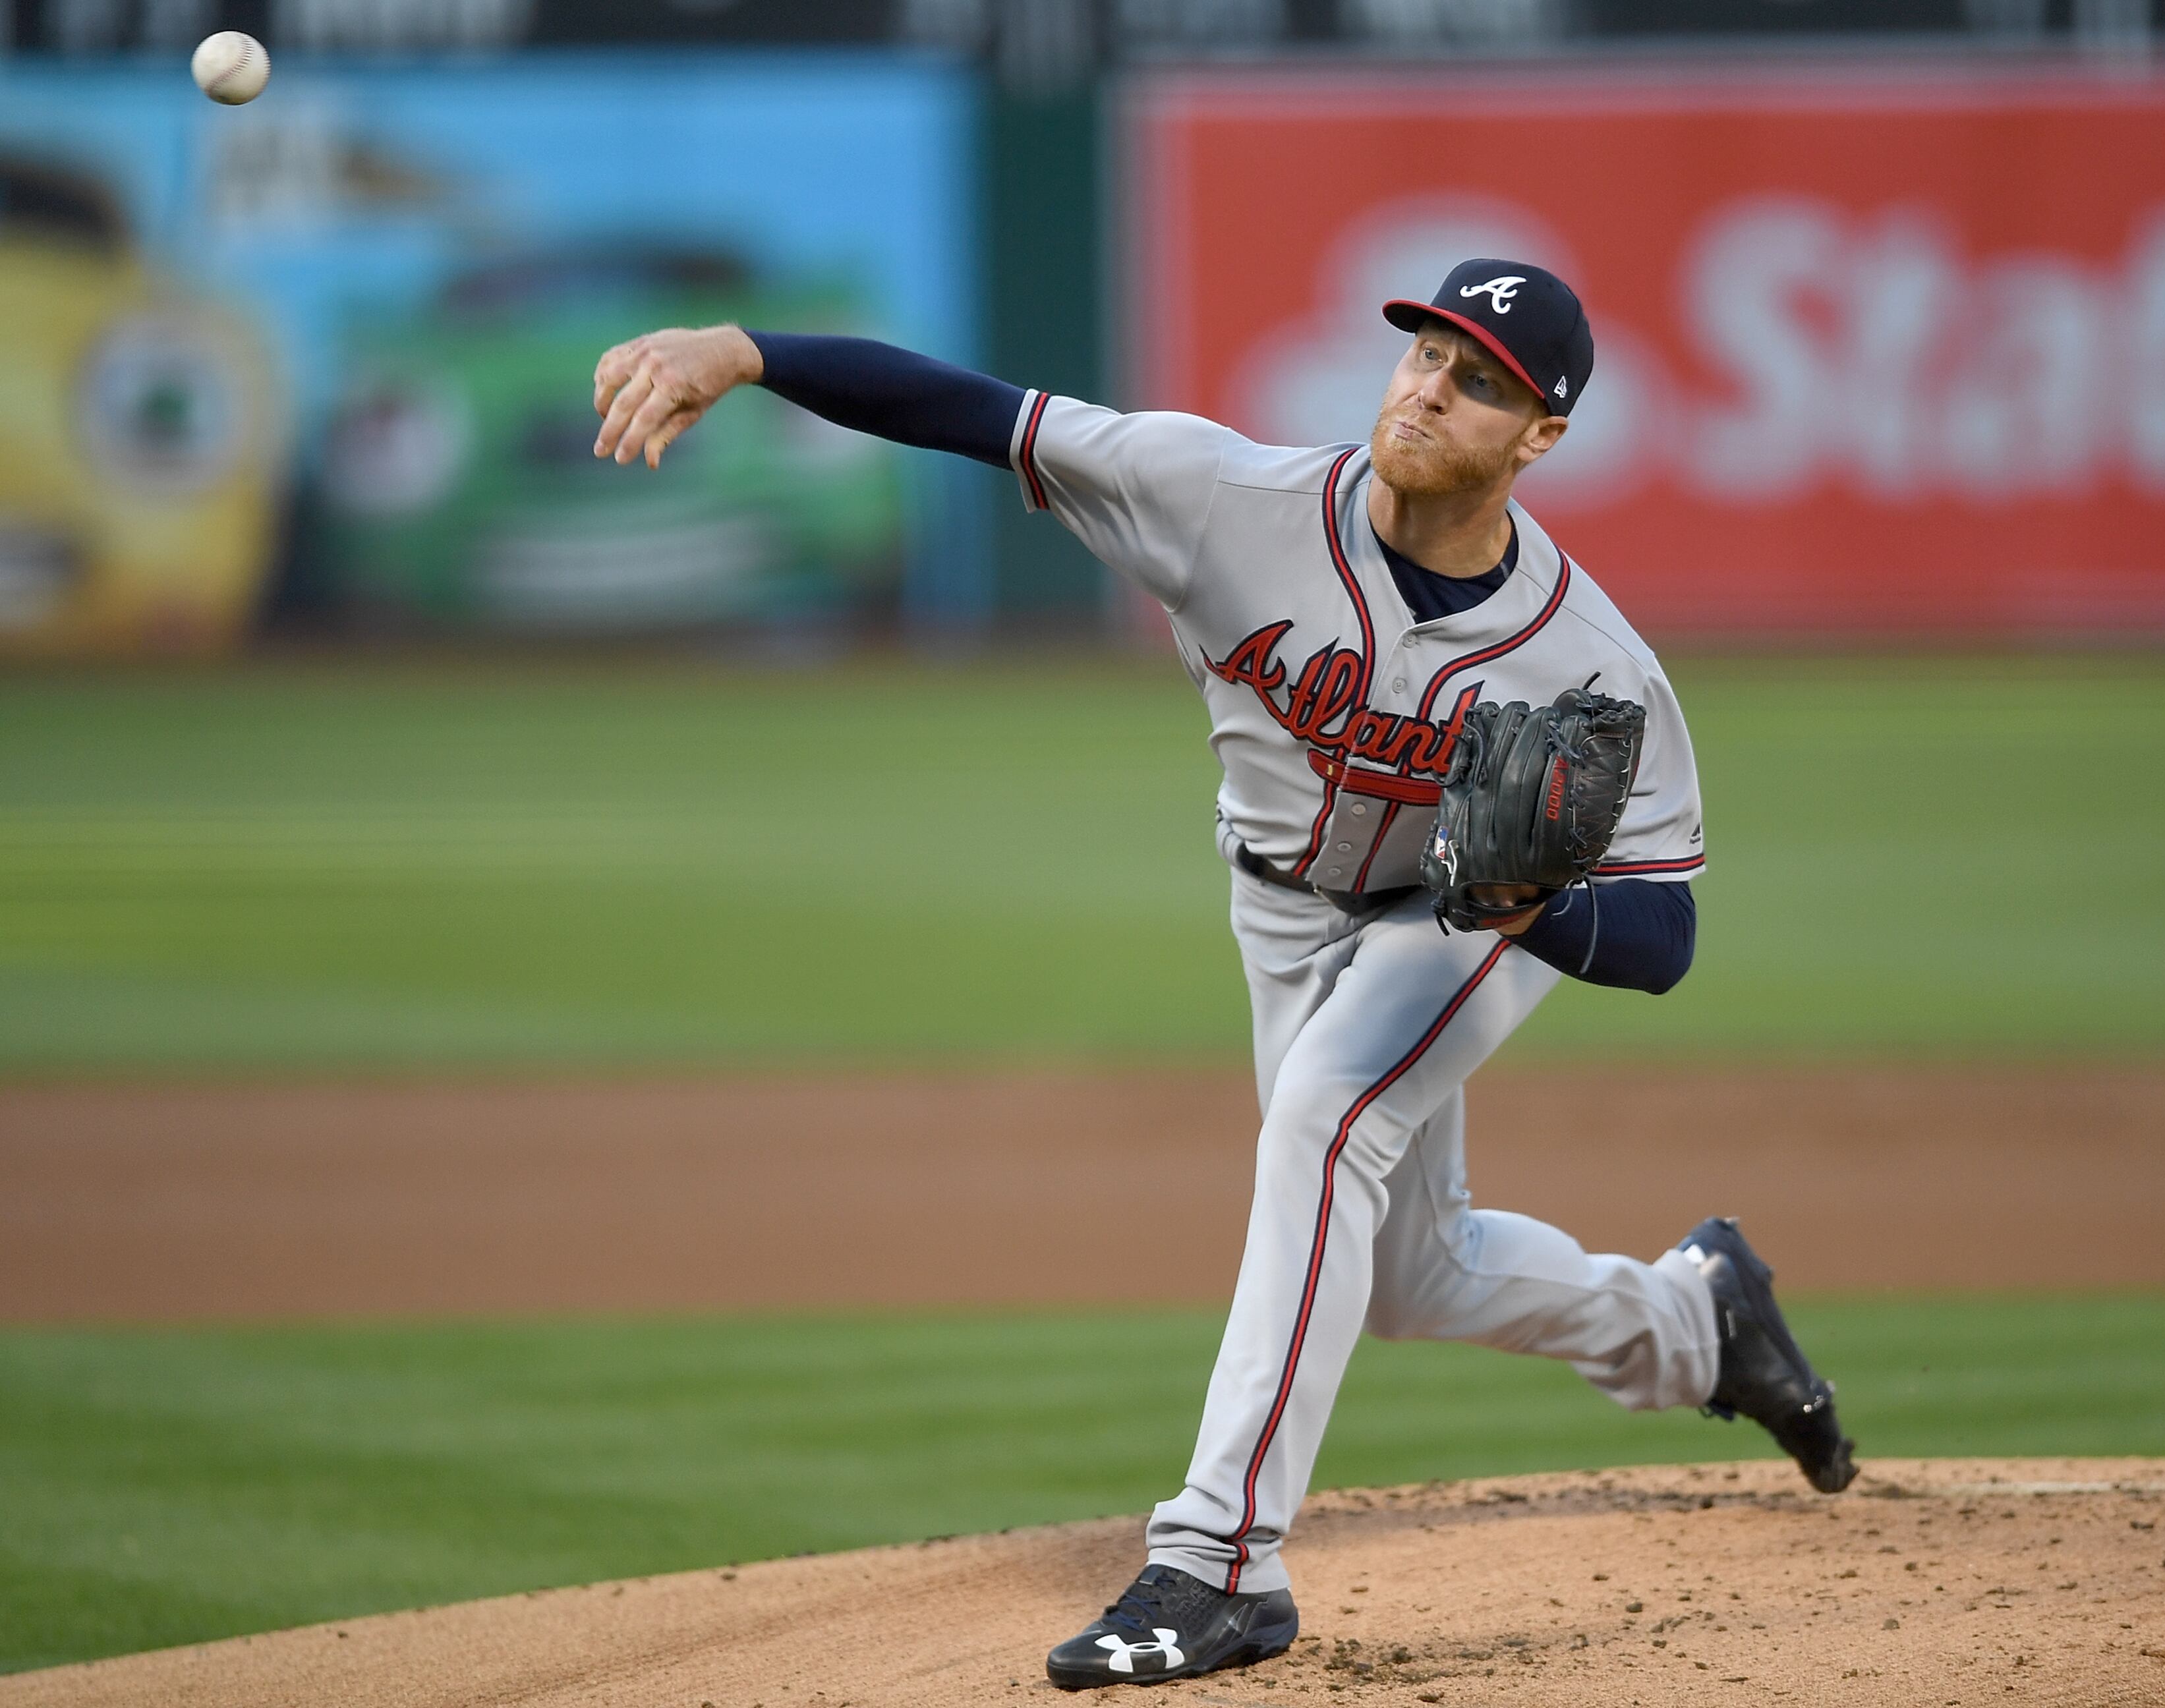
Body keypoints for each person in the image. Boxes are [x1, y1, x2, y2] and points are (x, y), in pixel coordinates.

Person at [591, 258, 1856, 1692]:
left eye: (1483, 382)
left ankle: (1219, 1563)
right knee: (1412, 1275)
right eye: (1428, 354)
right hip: (1278, 910)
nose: (1434, 388)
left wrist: (1526, 904)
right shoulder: (1224, 497)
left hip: (1454, 925)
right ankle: (1696, 1323)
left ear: (1540, 437)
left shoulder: (1588, 662)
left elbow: (1666, 940)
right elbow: (979, 416)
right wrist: (745, 349)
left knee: (1326, 1112)